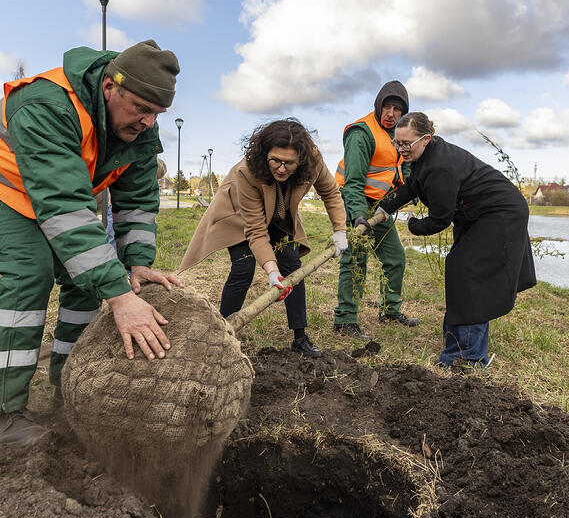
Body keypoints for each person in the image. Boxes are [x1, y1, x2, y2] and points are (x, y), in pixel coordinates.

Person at [0, 40, 182, 446]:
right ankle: (2, 415)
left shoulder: (139, 130)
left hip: (50, 188)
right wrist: (120, 297)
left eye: (156, 113)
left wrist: (137, 263)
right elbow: (63, 207)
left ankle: (69, 384)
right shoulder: (48, 105)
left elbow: (138, 203)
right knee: (30, 270)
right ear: (110, 86)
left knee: (85, 274)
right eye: (141, 109)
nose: (147, 121)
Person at [179, 119, 348, 358]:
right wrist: (271, 272)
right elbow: (256, 231)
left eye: (288, 163)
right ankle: (222, 336)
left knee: (291, 264)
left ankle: (300, 338)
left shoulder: (313, 162)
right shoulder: (248, 171)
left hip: (278, 217)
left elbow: (331, 193)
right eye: (275, 161)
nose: (281, 168)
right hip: (239, 215)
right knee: (243, 268)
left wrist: (340, 229)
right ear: (264, 154)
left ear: (300, 159)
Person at [379, 112, 536, 369]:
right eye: (397, 142)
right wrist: (385, 208)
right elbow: (412, 187)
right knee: (460, 269)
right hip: (477, 214)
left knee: (470, 274)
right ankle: (457, 340)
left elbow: (440, 219)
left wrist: (412, 225)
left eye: (406, 143)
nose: (401, 149)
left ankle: (467, 357)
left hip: (501, 214)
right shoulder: (425, 156)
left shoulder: (440, 165)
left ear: (426, 138)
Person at [332, 81, 419, 340]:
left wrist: (411, 187)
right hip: (354, 201)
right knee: (354, 261)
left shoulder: (399, 133)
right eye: (387, 107)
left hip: (380, 206)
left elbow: (403, 164)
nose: (391, 114)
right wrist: (359, 215)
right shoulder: (362, 133)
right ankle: (344, 320)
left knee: (395, 259)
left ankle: (390, 311)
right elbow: (354, 182)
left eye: (397, 110)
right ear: (378, 106)